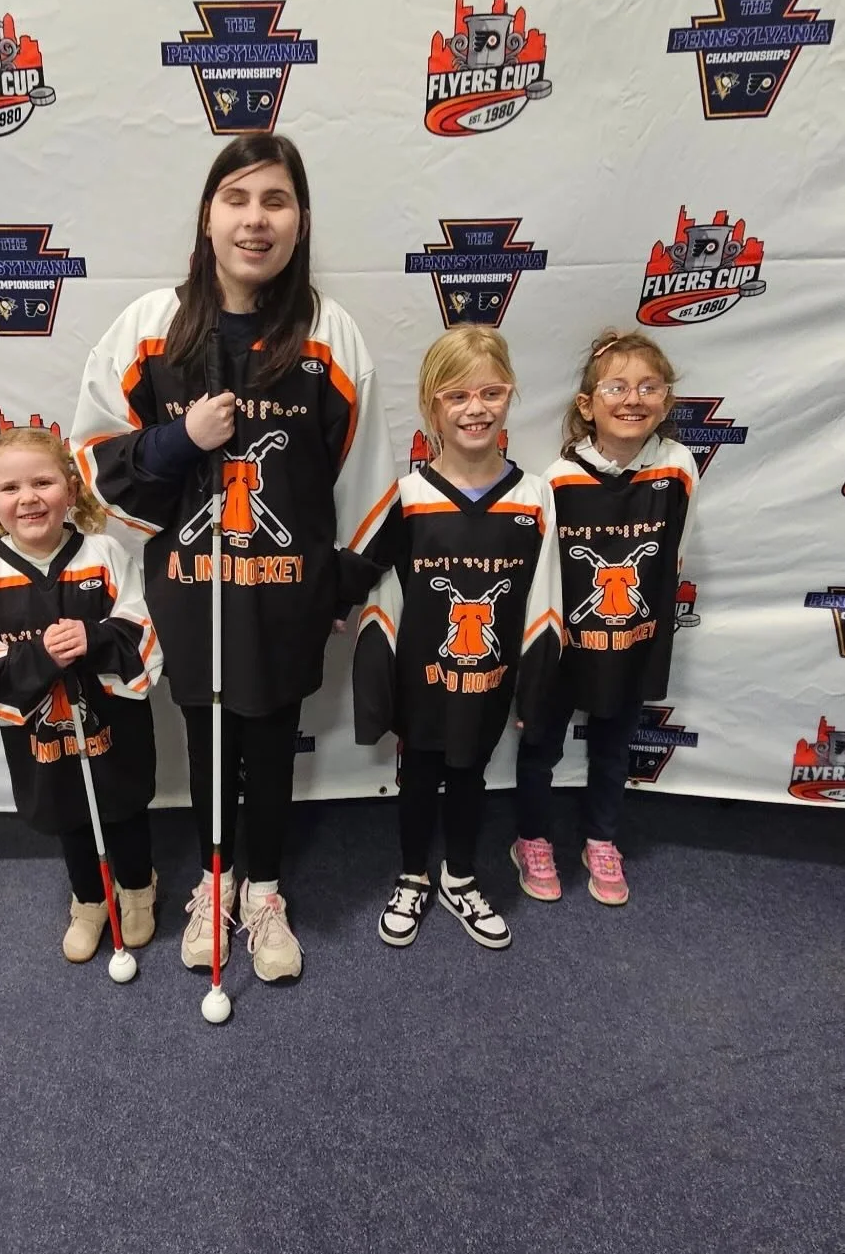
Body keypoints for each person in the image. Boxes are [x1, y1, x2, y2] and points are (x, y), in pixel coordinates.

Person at [71, 135, 398, 983]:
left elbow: (366, 475)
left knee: (270, 743)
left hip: (282, 591)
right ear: (209, 216)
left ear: (299, 220)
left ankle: (264, 890)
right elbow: (96, 460)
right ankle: (214, 881)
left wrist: (341, 585)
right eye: (238, 198)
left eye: (277, 200)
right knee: (209, 739)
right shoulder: (151, 326)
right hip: (189, 585)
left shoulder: (328, 332)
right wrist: (183, 437)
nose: (256, 218)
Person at [354, 328, 562, 949]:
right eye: (457, 395)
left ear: (510, 397)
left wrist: (536, 692)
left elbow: (543, 602)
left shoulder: (533, 498)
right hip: (424, 681)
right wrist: (378, 690)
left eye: (491, 392)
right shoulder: (409, 499)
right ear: (430, 407)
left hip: (489, 680)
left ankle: (461, 876)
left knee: (471, 772)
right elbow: (382, 602)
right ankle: (413, 875)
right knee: (418, 775)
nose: (476, 408)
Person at [0, 426, 163, 963]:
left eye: (43, 482)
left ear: (70, 487)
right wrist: (41, 657)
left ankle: (137, 887)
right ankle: (88, 899)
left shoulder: (105, 554)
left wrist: (96, 639)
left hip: (115, 729)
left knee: (124, 807)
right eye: (11, 488)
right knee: (68, 812)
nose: (29, 498)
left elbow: (145, 631)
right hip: (44, 741)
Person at [512, 329, 699, 906]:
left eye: (649, 386)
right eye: (616, 387)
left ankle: (601, 837)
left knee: (614, 747)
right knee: (540, 745)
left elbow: (675, 554)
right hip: (569, 645)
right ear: (587, 405)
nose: (633, 399)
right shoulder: (558, 480)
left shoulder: (678, 466)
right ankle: (532, 837)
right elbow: (543, 576)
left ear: (666, 401)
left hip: (633, 640)